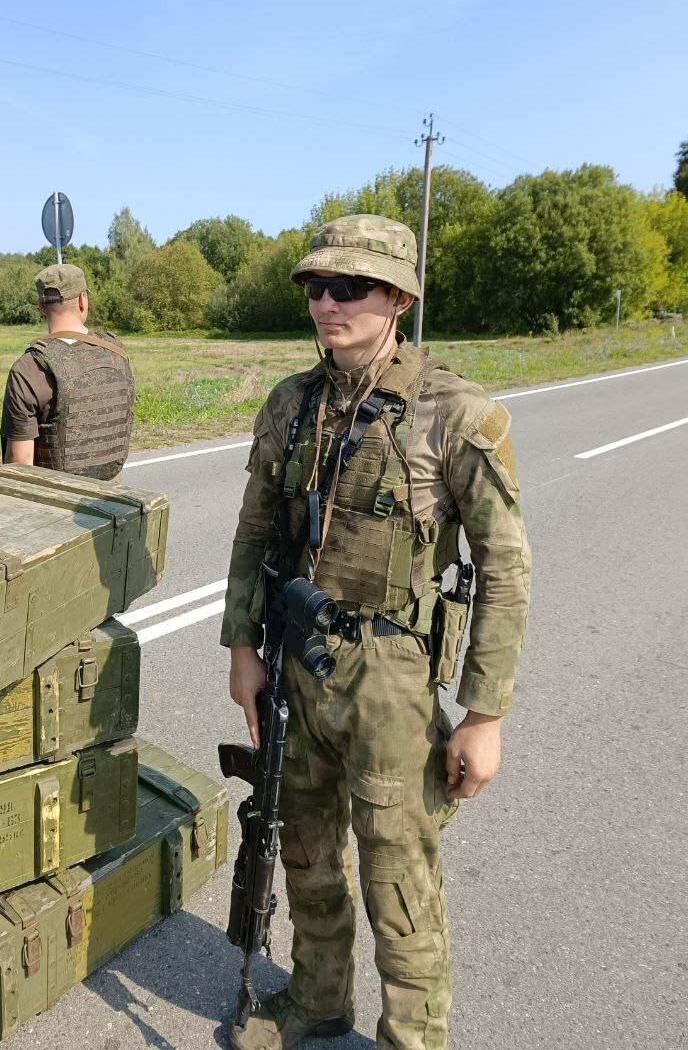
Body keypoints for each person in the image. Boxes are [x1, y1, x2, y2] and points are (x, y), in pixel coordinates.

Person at [221, 214, 531, 1050]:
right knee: (306, 852)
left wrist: (483, 713)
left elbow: (506, 568)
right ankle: (318, 1002)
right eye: (317, 287)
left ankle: (413, 1040)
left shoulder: (456, 414)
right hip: (296, 659)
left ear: (398, 296)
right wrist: (243, 648)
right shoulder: (290, 404)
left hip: (393, 678)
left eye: (349, 286)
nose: (328, 303)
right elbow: (255, 532)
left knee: (398, 877)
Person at [0, 263, 135, 480]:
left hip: (56, 502)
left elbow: (20, 466)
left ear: (40, 306)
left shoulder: (28, 368)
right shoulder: (117, 352)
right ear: (82, 300)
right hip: (114, 499)